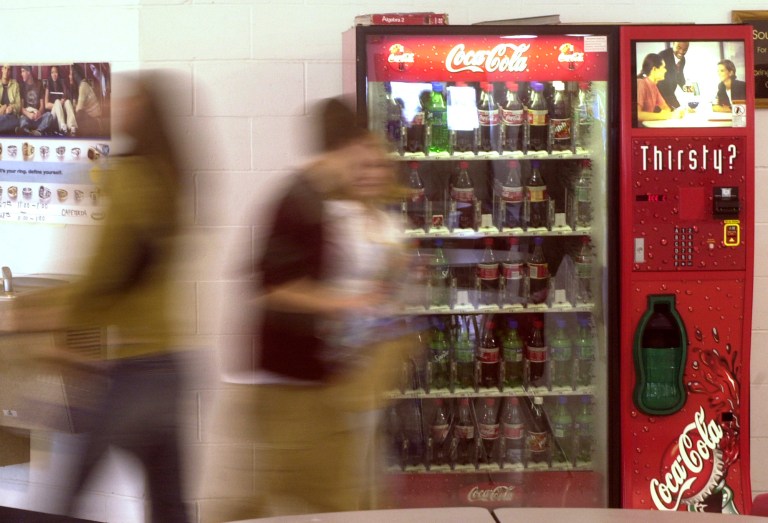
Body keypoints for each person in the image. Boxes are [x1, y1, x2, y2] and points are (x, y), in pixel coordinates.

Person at [203, 97, 410, 521]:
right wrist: (345, 302)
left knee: (300, 498)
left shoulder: (322, 199)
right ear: (347, 146)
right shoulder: (297, 200)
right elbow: (267, 287)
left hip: (313, 383)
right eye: (362, 152)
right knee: (322, 502)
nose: (365, 165)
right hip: (288, 386)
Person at [8, 71, 190, 522]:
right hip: (170, 366)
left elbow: (103, 277)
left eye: (128, 101)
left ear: (143, 113)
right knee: (169, 505)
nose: (115, 107)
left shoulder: (129, 181)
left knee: (67, 497)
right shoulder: (169, 179)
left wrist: (30, 315)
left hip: (133, 371)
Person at [636, 53, 684, 123]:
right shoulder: (640, 83)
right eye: (663, 67)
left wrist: (673, 113)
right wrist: (669, 115)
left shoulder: (654, 86)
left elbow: (666, 108)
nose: (665, 70)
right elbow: (638, 115)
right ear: (654, 69)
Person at [18, 65, 56, 136]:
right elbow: (21, 108)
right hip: (27, 117)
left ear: (29, 72)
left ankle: (38, 131)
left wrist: (39, 113)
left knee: (49, 115)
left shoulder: (39, 84)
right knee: (22, 120)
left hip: (37, 118)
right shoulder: (22, 86)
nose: (21, 74)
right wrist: (29, 114)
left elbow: (42, 106)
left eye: (23, 71)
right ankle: (28, 130)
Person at [45, 65, 78, 136]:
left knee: (68, 102)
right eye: (52, 72)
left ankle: (72, 126)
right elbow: (46, 105)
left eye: (56, 72)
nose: (54, 74)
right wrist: (58, 104)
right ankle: (63, 126)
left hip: (61, 112)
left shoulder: (62, 83)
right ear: (50, 74)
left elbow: (66, 96)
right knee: (57, 101)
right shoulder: (49, 84)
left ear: (58, 73)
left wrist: (63, 100)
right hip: (53, 115)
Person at [72, 63, 103, 137]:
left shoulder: (83, 86)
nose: (69, 76)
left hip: (96, 121)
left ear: (75, 75)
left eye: (70, 74)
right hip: (94, 119)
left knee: (79, 115)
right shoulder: (83, 84)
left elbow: (78, 109)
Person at [657, 41, 689, 110]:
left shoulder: (682, 60)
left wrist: (684, 86)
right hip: (659, 93)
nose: (681, 51)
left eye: (685, 49)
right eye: (679, 47)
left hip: (669, 92)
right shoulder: (663, 56)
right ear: (673, 44)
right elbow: (662, 84)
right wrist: (674, 105)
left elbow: (680, 75)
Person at [0, 64, 21, 135]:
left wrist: (11, 107)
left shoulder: (15, 85)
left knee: (14, 120)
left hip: (12, 116)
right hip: (1, 115)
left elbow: (18, 105)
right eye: (5, 68)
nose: (6, 71)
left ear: (10, 72)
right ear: (2, 69)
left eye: (9, 69)